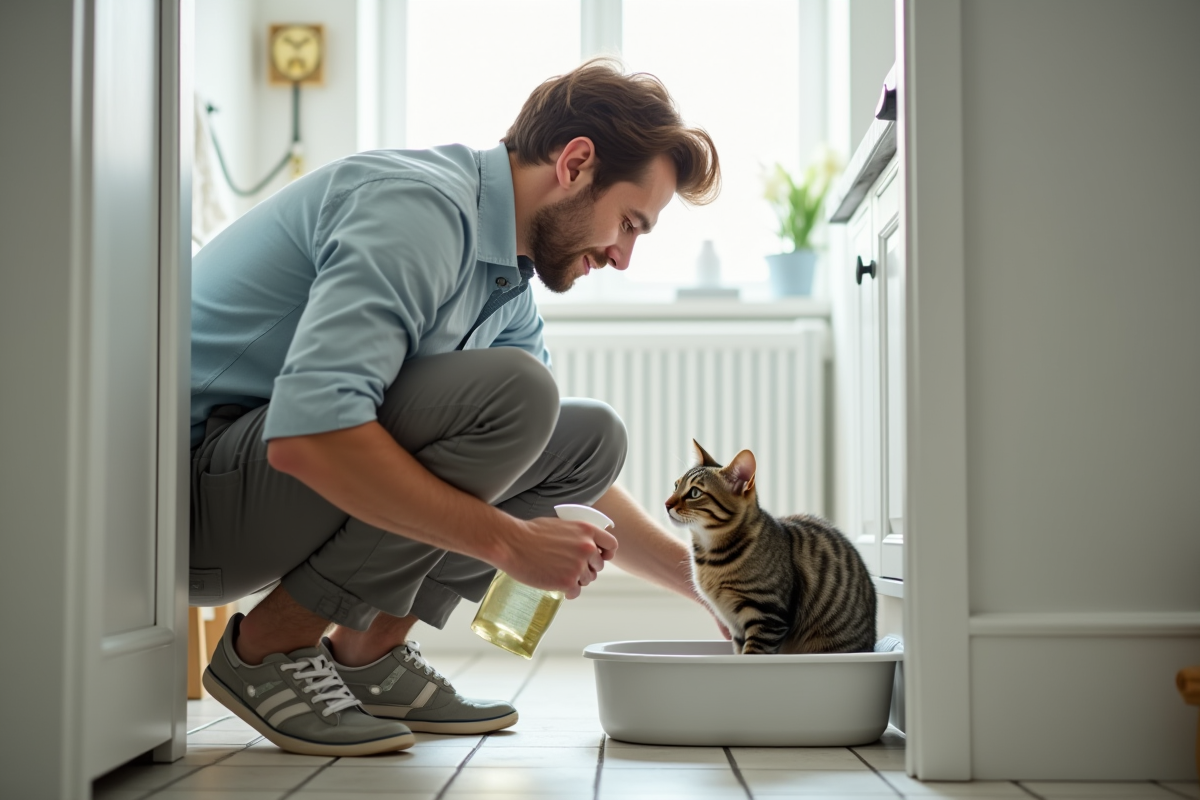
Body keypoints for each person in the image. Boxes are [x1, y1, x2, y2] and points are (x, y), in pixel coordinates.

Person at [190, 59, 721, 756]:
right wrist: (510, 543)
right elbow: (310, 436)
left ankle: (367, 655)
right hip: (188, 507)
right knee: (520, 395)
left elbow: (556, 463)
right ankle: (268, 648)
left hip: (260, 495)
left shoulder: (505, 281)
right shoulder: (418, 210)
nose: (622, 256)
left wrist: (709, 584)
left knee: (589, 439)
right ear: (576, 162)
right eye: (628, 223)